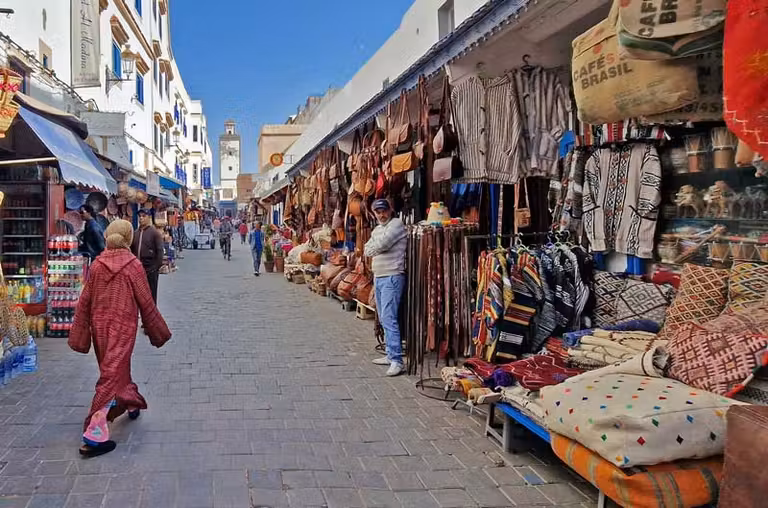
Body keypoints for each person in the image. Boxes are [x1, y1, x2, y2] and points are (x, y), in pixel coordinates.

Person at [69, 220, 171, 457]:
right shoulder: (132, 265)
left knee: (113, 368)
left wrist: (80, 332)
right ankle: (95, 433)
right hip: (123, 327)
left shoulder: (98, 264)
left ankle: (130, 402)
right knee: (112, 373)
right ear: (128, 238)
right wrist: (158, 331)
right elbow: (146, 301)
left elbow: (84, 301)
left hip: (99, 327)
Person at [364, 199, 407, 377]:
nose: (381, 215)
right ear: (374, 213)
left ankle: (397, 360)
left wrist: (376, 246)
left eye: (384, 211)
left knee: (389, 318)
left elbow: (382, 245)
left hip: (392, 275)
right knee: (383, 318)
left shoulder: (396, 224)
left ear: (390, 210)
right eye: (378, 212)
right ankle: (390, 354)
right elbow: (366, 249)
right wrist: (376, 246)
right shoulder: (377, 230)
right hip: (379, 276)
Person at [131, 210, 164, 303]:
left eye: (143, 216)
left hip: (150, 269)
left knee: (151, 294)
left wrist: (155, 267)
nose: (141, 218)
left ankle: (152, 311)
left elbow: (160, 251)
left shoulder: (154, 233)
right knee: (138, 295)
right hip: (137, 268)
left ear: (149, 217)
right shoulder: (136, 233)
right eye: (140, 216)